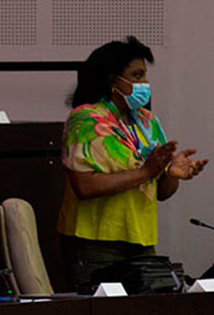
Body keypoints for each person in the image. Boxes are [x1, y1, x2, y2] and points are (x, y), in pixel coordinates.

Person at [58, 36, 208, 293]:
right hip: (96, 243)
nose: (144, 84)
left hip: (141, 238)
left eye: (145, 77)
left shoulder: (146, 121)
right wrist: (145, 172)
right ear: (112, 79)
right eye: (136, 76)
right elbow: (84, 186)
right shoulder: (86, 120)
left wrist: (171, 174)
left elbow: (162, 192)